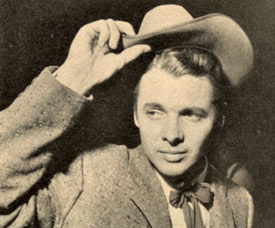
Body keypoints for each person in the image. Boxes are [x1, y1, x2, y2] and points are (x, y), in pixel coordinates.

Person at [0, 4, 254, 228]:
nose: (172, 135)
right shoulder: (87, 173)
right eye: (154, 112)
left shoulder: (240, 203)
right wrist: (71, 77)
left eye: (191, 115)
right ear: (135, 114)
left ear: (218, 120)